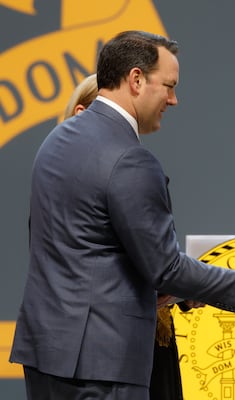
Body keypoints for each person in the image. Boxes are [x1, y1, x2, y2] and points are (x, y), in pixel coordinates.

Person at [10, 30, 235, 400]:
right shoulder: (131, 159)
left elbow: (86, 249)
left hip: (46, 353)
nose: (174, 99)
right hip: (103, 366)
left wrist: (177, 291)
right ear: (136, 80)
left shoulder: (56, 142)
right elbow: (164, 268)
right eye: (168, 86)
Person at [61, 73, 195, 400]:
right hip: (104, 352)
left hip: (143, 340)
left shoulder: (131, 170)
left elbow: (152, 262)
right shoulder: (76, 182)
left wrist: (179, 288)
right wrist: (180, 282)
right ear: (81, 114)